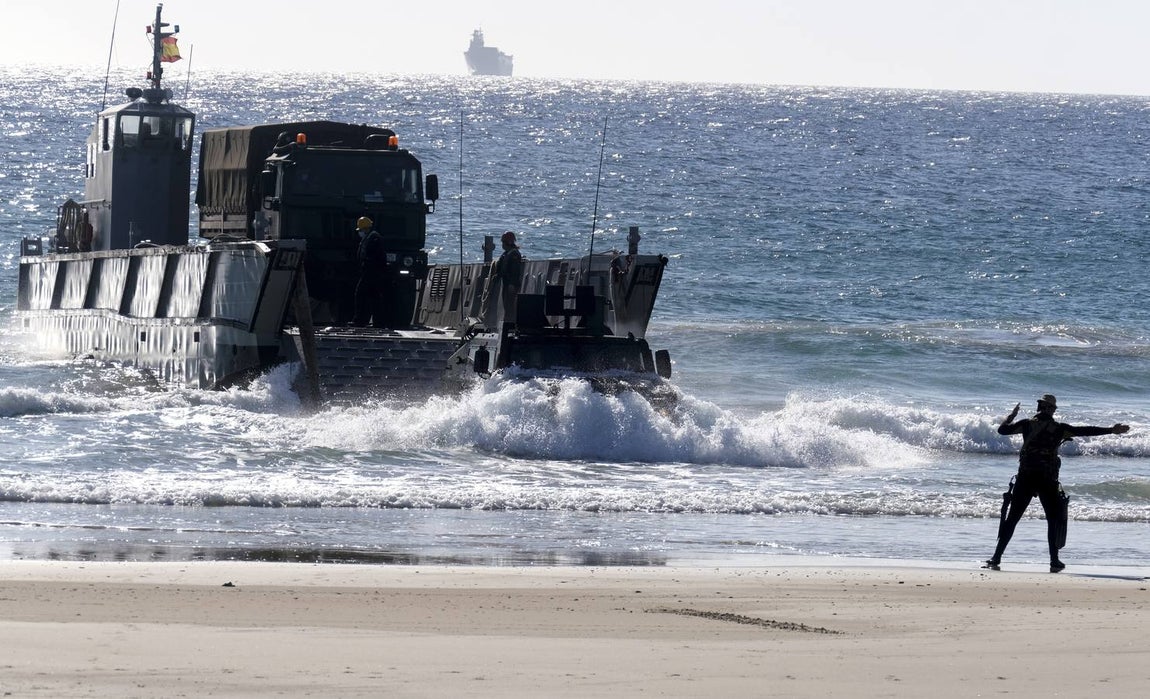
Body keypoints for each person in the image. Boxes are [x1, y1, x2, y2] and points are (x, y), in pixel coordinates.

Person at [985, 394, 1130, 573]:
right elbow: (1084, 430)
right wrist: (1111, 430)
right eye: (1052, 408)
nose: (1052, 411)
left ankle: (996, 557)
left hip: (1026, 477)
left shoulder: (1026, 424)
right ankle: (1054, 561)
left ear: (1039, 407)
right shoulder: (1059, 428)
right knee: (1052, 521)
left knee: (1012, 519)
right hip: (1047, 479)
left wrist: (1011, 416)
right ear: (1051, 409)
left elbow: (1002, 431)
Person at [480, 231, 524, 325]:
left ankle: (510, 324)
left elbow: (515, 271)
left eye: (503, 242)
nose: (502, 244)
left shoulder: (514, 254)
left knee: (510, 306)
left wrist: (512, 284)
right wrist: (497, 275)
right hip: (506, 283)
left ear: (507, 242)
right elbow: (502, 268)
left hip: (511, 285)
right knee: (506, 305)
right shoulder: (506, 254)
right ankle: (507, 323)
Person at [352, 216, 387, 327]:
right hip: (371, 273)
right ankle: (377, 322)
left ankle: (360, 320)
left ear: (365, 229)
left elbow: (375, 257)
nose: (360, 232)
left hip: (371, 273)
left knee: (361, 295)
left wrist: (367, 266)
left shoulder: (373, 238)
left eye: (361, 230)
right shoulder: (370, 237)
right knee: (374, 297)